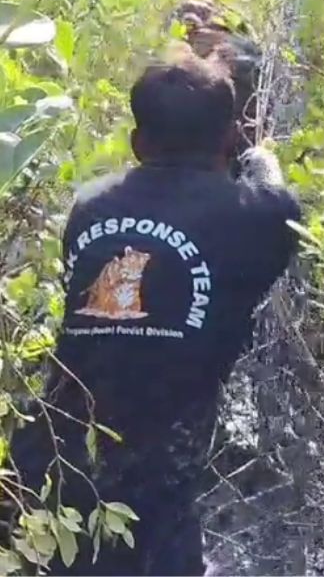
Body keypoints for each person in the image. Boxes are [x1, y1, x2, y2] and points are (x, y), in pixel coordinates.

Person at [6, 46, 302, 575]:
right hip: (157, 484)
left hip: (47, 457)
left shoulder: (90, 205)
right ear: (229, 138)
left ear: (137, 142)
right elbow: (271, 186)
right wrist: (256, 155)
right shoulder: (257, 216)